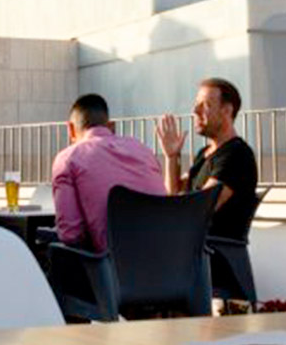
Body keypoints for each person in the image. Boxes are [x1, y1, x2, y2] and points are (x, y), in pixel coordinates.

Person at [51, 93, 165, 251]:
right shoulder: (144, 150)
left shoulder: (68, 159)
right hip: (168, 256)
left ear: (70, 129)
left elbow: (71, 235)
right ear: (111, 126)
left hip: (114, 262)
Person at [156, 77, 258, 240]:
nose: (195, 111)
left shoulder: (237, 154)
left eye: (205, 105)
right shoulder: (204, 153)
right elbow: (172, 193)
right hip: (192, 245)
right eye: (197, 104)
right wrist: (171, 157)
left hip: (213, 249)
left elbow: (201, 208)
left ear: (227, 111)